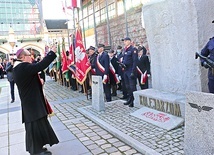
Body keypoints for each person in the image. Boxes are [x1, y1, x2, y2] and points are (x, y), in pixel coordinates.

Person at [13, 47, 59, 155]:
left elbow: (29, 80)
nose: (32, 57)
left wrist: (40, 82)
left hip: (31, 102)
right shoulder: (22, 67)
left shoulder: (20, 67)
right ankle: (36, 151)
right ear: (23, 57)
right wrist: (52, 53)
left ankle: (39, 147)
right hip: (31, 103)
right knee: (34, 126)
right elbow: (40, 66)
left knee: (38, 125)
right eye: (30, 55)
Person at [121, 37, 138, 107]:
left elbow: (135, 61)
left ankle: (134, 101)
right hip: (126, 70)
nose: (124, 42)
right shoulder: (125, 50)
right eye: (124, 41)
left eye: (125, 41)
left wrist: (133, 71)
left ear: (129, 41)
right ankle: (130, 99)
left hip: (131, 70)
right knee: (127, 86)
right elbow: (124, 59)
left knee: (132, 87)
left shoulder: (133, 49)